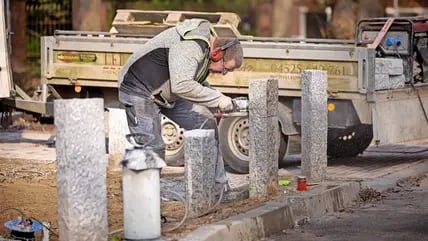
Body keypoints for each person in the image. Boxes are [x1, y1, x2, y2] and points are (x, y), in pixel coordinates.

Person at [118, 18, 244, 188]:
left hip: (166, 91)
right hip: (139, 89)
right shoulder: (192, 46)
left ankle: (217, 188)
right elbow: (183, 85)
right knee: (152, 147)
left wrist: (216, 96)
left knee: (206, 125)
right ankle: (145, 201)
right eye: (225, 69)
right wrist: (219, 99)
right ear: (217, 54)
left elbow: (193, 82)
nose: (223, 74)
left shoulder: (205, 52)